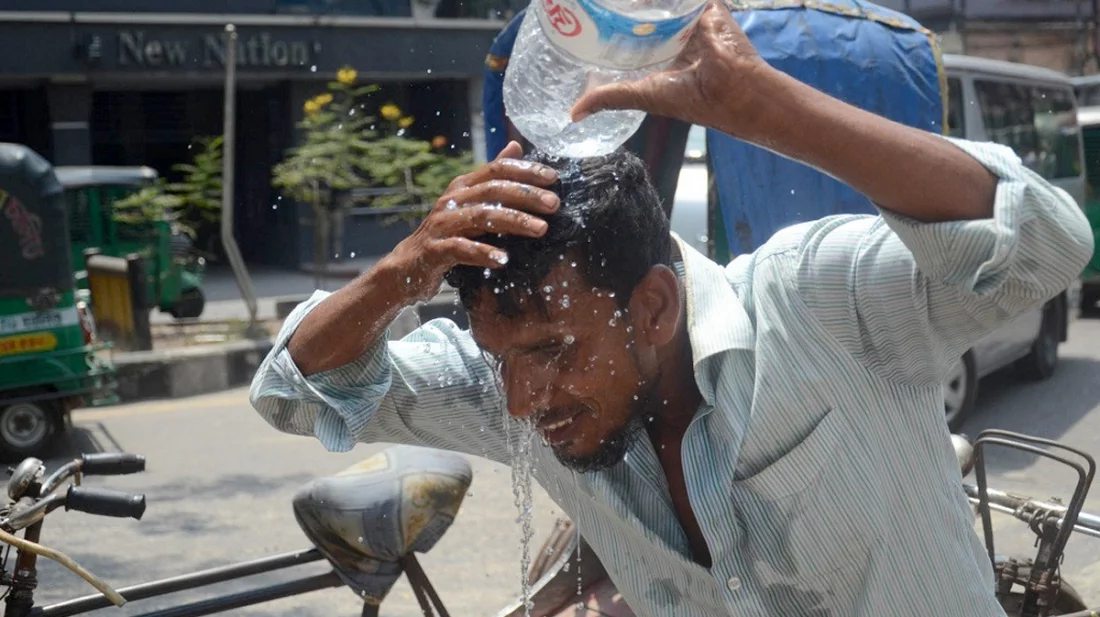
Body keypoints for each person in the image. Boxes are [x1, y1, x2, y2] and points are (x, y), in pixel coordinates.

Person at [249, 1, 1095, 615]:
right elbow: (296, 389)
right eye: (502, 357)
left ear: (652, 306)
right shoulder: (519, 392)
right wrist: (401, 270)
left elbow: (1047, 246)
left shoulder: (818, 304)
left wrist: (769, 109)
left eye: (550, 350)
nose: (517, 397)